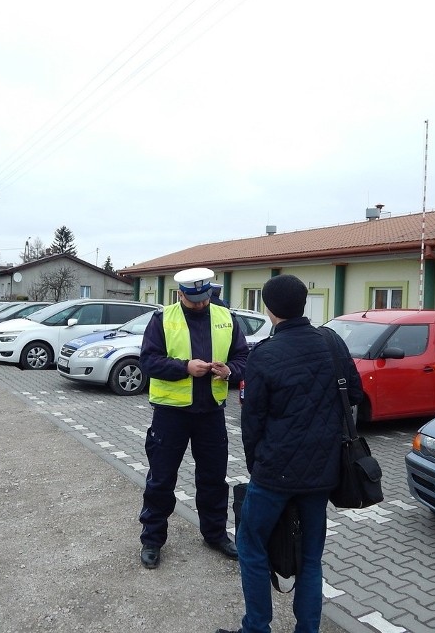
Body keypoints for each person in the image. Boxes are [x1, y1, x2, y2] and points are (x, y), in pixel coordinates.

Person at [216, 274, 362, 633]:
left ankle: (256, 627)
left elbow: (252, 423)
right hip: (323, 473)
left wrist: (258, 469)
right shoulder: (332, 343)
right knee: (311, 559)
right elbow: (355, 395)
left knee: (251, 546)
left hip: (274, 474)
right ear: (304, 303)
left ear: (268, 309)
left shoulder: (264, 354)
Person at [138, 267, 250, 569]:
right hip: (170, 414)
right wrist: (184, 367)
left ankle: (214, 534)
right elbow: (148, 362)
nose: (200, 304)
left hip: (211, 412)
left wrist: (229, 371)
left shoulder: (226, 318)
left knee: (213, 478)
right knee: (161, 479)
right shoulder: (162, 319)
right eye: (194, 300)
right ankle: (152, 539)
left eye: (205, 298)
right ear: (180, 295)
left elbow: (243, 359)